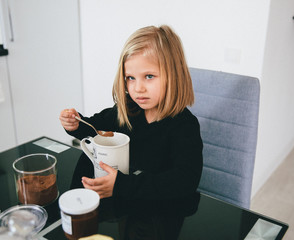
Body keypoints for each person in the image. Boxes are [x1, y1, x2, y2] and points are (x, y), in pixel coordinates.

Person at [59, 25, 203, 202]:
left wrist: (122, 185)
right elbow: (95, 128)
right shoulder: (129, 109)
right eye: (130, 78)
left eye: (149, 76)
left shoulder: (184, 126)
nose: (138, 88)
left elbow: (185, 182)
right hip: (127, 208)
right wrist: (77, 124)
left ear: (174, 75)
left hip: (161, 213)